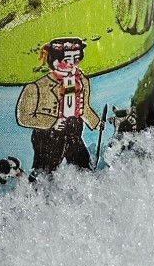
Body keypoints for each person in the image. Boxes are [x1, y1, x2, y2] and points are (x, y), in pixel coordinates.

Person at [15, 37, 99, 173]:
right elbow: (24, 117)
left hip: (74, 129)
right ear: (53, 60)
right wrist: (53, 122)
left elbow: (84, 108)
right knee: (46, 167)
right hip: (48, 135)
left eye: (76, 59)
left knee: (82, 161)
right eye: (67, 60)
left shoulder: (81, 81)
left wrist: (95, 123)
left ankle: (85, 183)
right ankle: (38, 189)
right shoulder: (37, 87)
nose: (72, 64)